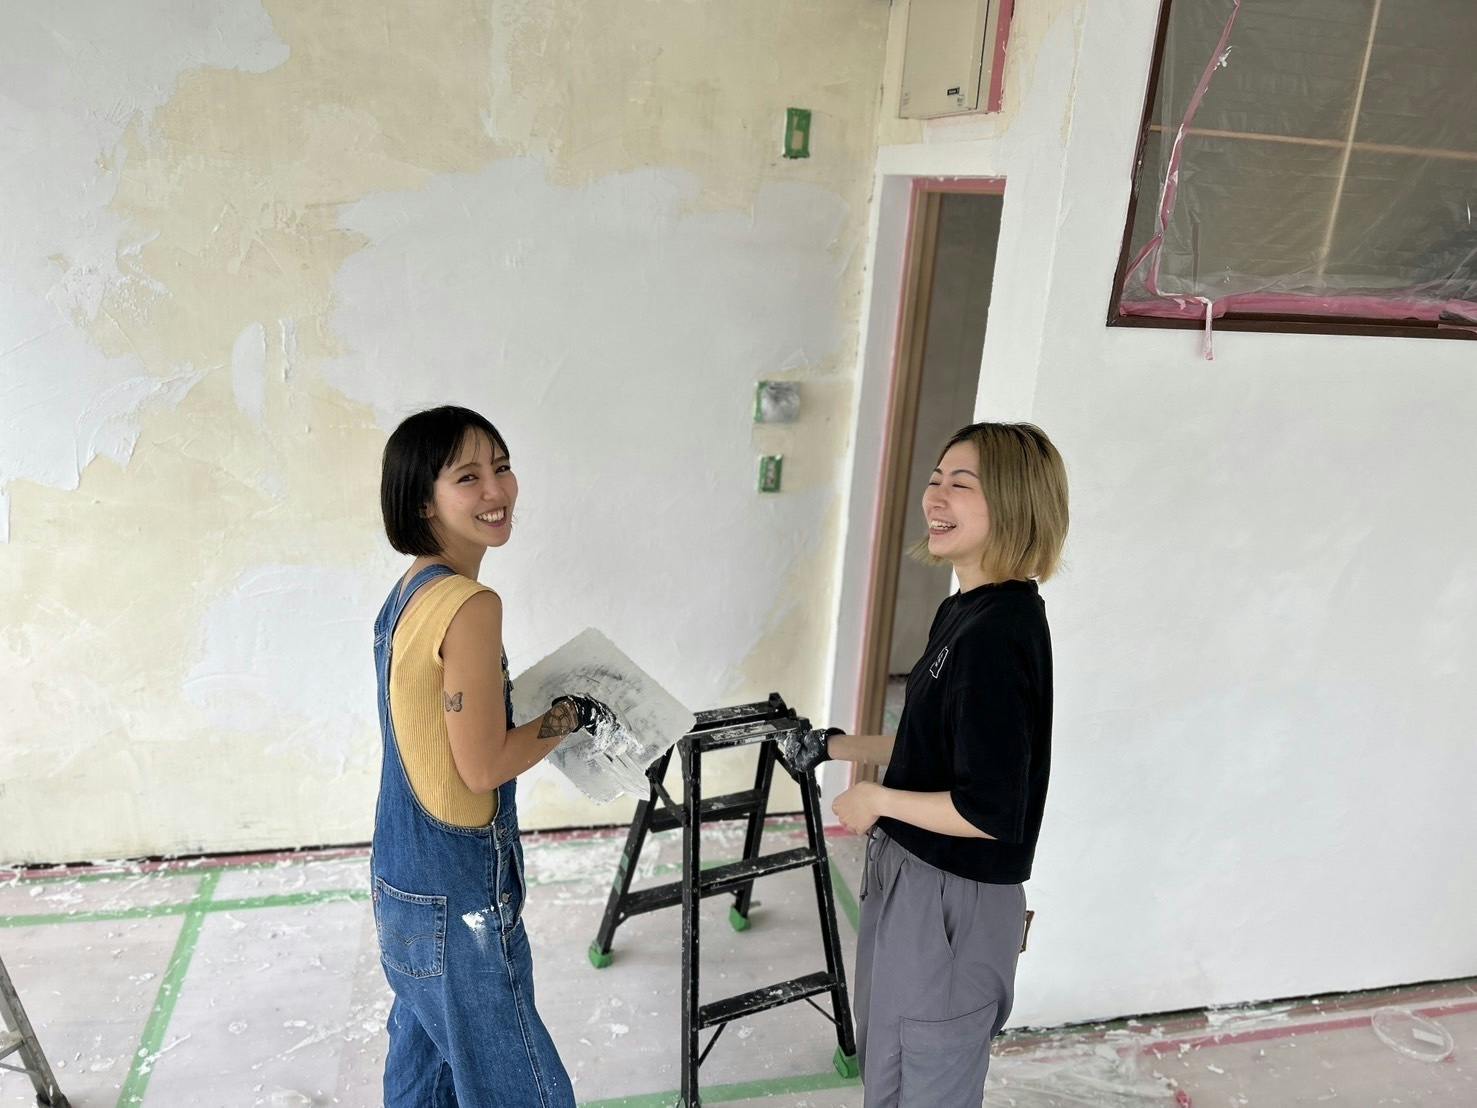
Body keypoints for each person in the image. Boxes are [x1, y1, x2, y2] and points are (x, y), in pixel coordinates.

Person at [781, 421, 1069, 1107]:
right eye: (935, 479)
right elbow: (935, 746)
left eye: (960, 484)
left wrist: (876, 800)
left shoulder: (997, 635)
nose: (934, 497)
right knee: (890, 1064)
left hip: (953, 898)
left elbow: (988, 808)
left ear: (1013, 503)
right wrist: (836, 746)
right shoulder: (963, 611)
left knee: (926, 1080)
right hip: (915, 879)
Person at [371, 405, 616, 1107]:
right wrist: (571, 715)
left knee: (427, 1078)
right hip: (457, 894)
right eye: (468, 477)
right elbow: (482, 767)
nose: (496, 491)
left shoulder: (408, 592)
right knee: (518, 1088)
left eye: (502, 468)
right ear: (424, 501)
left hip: (402, 878)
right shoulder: (470, 604)